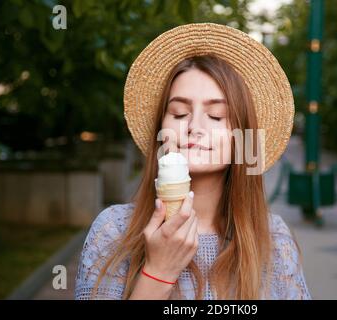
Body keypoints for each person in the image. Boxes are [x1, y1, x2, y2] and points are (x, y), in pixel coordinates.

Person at [75, 23, 311, 300]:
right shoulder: (113, 230)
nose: (193, 126)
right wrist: (158, 272)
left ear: (243, 138)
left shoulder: (274, 239)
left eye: (216, 116)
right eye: (178, 113)